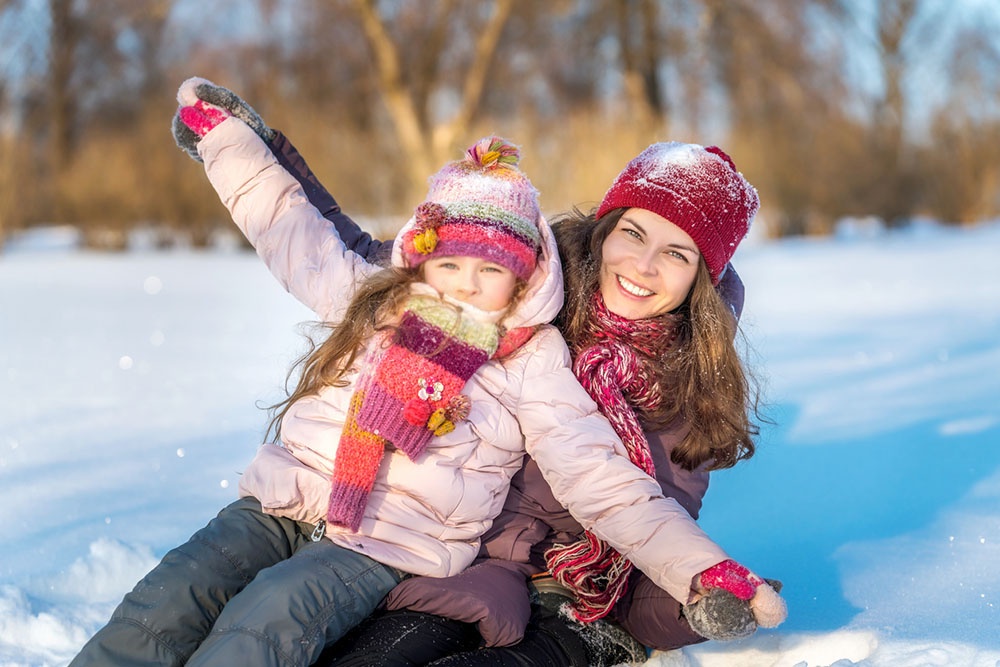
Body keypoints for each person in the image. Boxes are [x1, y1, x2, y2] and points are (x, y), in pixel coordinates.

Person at [82, 78, 785, 667]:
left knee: (266, 625)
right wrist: (233, 142)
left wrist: (700, 577)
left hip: (405, 547)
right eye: (633, 232)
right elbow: (298, 234)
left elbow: (612, 488)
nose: (467, 285)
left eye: (678, 253)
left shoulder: (538, 354)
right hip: (291, 499)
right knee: (169, 598)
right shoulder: (397, 293)